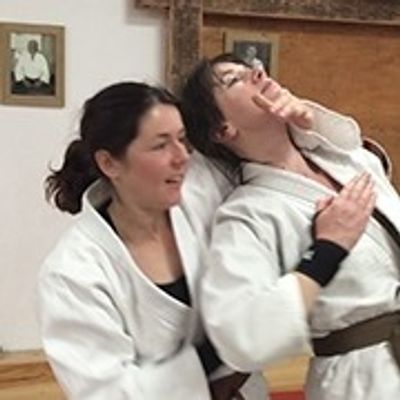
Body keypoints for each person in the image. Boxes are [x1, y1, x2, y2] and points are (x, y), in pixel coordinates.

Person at [39, 80, 373, 400]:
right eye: (160, 145)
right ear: (109, 162)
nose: (181, 156)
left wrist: (305, 122)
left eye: (182, 139)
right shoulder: (73, 273)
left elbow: (290, 161)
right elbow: (107, 393)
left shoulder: (204, 184)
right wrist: (230, 344)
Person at [181, 52, 400, 400]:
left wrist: (310, 121)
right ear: (223, 130)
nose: (256, 73)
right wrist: (326, 250)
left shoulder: (344, 161)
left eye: (252, 68)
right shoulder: (248, 214)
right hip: (361, 378)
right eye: (234, 80)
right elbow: (241, 337)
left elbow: (354, 146)